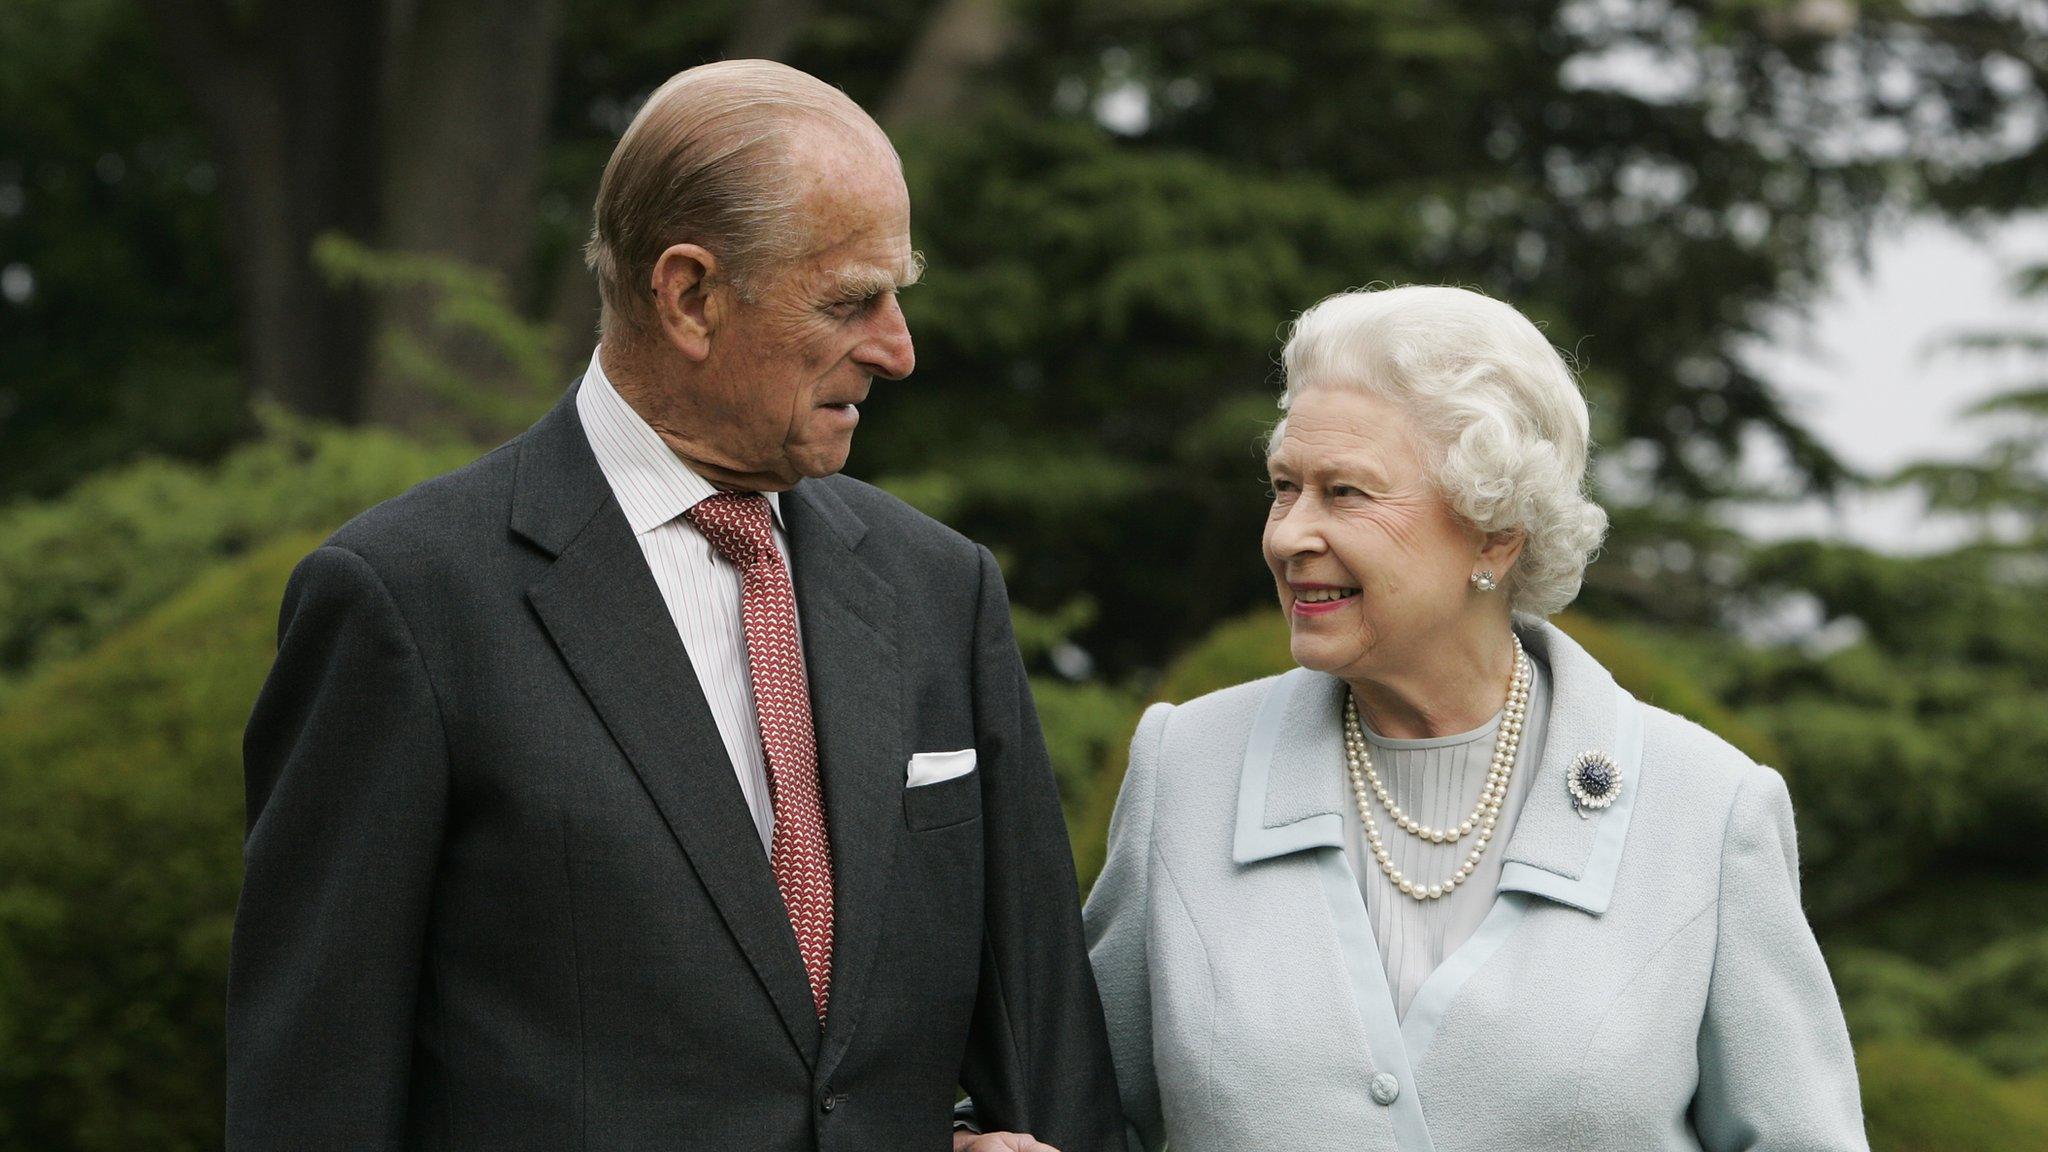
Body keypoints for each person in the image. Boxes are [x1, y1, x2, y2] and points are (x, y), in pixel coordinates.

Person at [228, 60, 1121, 1152]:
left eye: (900, 294)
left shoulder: (941, 589)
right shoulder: (404, 602)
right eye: (850, 300)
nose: (898, 349)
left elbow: (1048, 1054)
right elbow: (312, 1098)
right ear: (689, 295)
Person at [1084, 285, 1869, 1150]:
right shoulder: (1187, 767)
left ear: (1496, 534)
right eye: (1284, 487)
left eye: (1345, 493)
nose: (1288, 535)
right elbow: (1074, 1109)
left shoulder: (1708, 810)